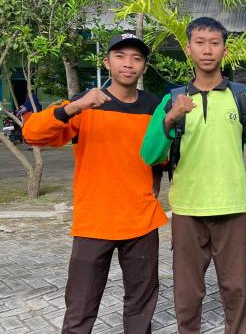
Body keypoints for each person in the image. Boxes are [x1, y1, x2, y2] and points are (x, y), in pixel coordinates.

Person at [23, 33, 167, 334]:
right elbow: (32, 134)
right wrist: (74, 107)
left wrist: (156, 176)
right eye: (120, 56)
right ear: (106, 62)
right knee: (80, 308)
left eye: (137, 58)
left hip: (140, 220)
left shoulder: (154, 106)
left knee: (141, 308)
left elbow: (161, 154)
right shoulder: (85, 103)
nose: (128, 64)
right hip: (94, 221)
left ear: (144, 67)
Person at [140, 17, 246, 334]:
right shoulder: (172, 100)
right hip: (188, 210)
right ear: (188, 49)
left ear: (224, 50)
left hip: (232, 209)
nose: (207, 50)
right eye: (199, 43)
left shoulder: (242, 97)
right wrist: (171, 117)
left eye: (214, 43)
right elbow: (149, 155)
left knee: (236, 290)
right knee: (187, 294)